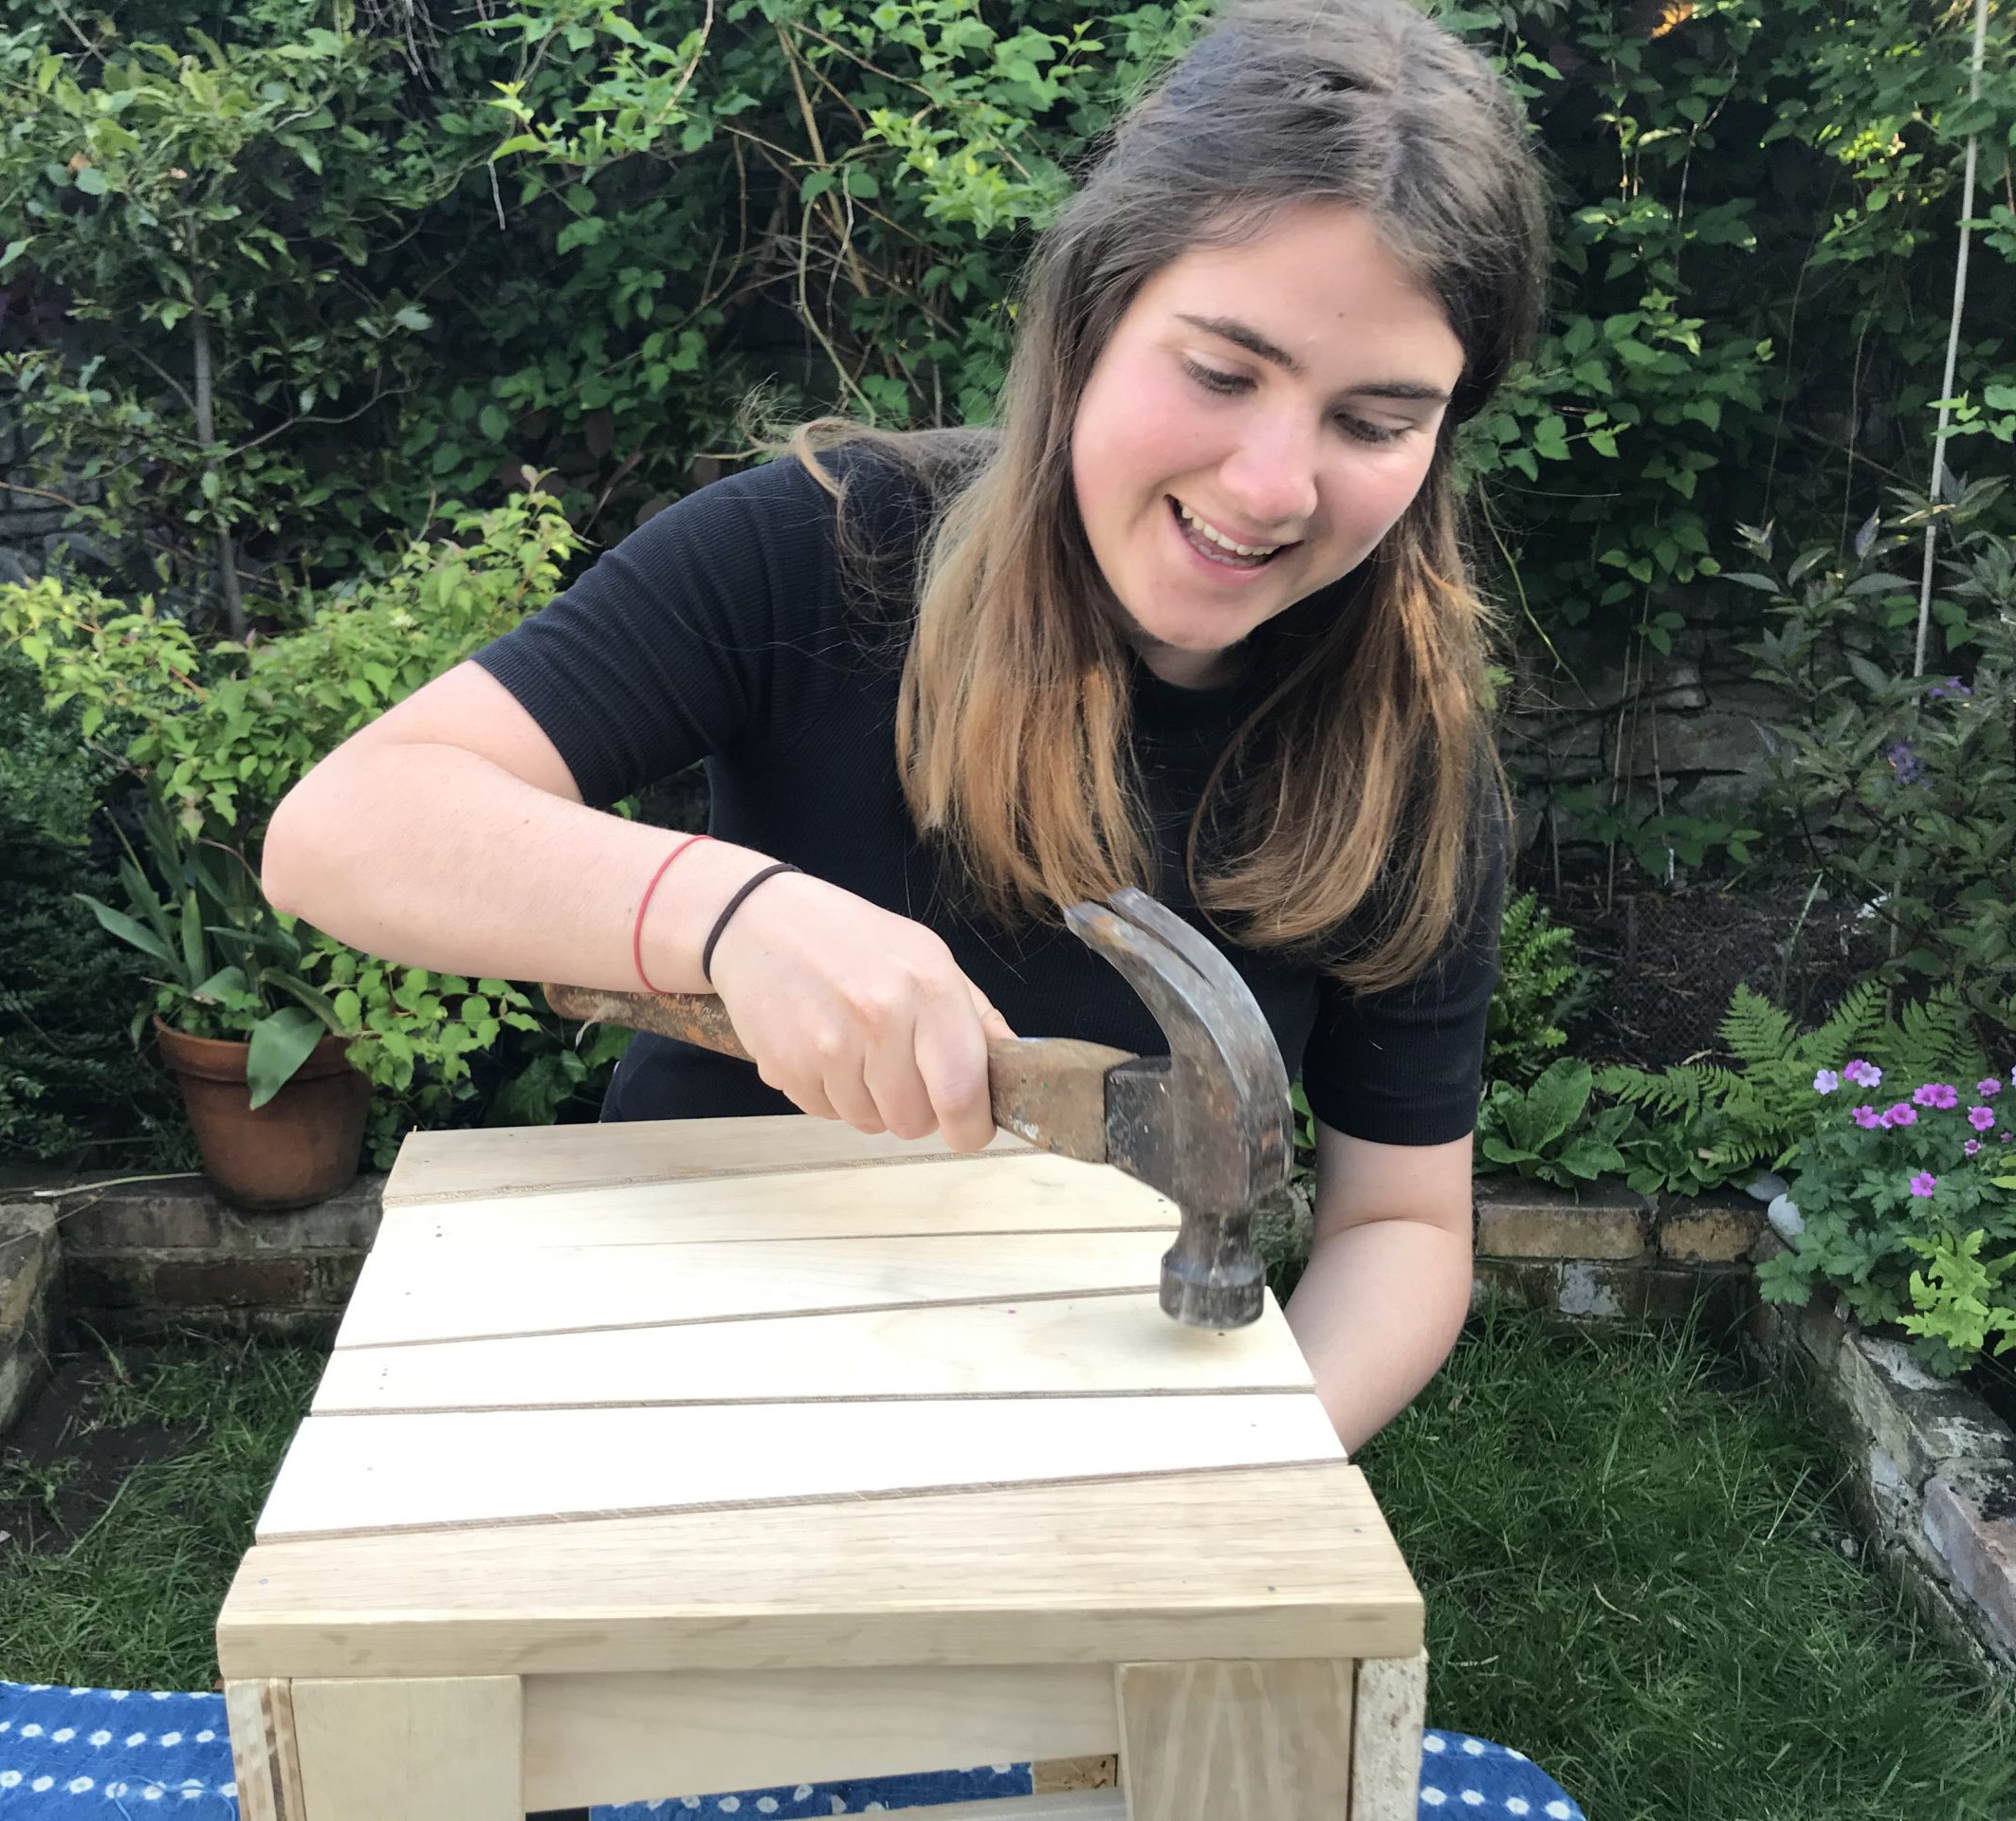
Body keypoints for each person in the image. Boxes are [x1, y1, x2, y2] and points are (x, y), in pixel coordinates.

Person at [263, 0, 1550, 1452]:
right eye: (1219, 372)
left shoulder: (1405, 761)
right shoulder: (821, 551)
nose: (1270, 486)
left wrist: (1247, 1459)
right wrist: (731, 917)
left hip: (1084, 1401)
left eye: (1373, 422)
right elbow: (345, 830)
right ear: (1090, 318)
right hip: (682, 1344)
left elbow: (1401, 1225)